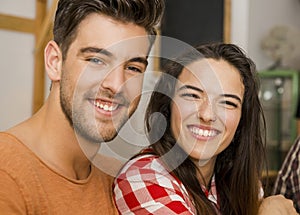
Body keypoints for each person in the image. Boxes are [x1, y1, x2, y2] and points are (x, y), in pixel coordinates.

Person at [0, 0, 164, 214]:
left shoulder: (120, 182)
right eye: (96, 60)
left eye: (133, 67)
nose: (116, 84)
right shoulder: (7, 174)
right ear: (54, 62)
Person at [113, 43, 298, 214]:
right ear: (167, 104)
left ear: (242, 120)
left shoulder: (240, 182)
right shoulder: (144, 178)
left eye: (227, 102)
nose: (207, 115)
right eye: (193, 95)